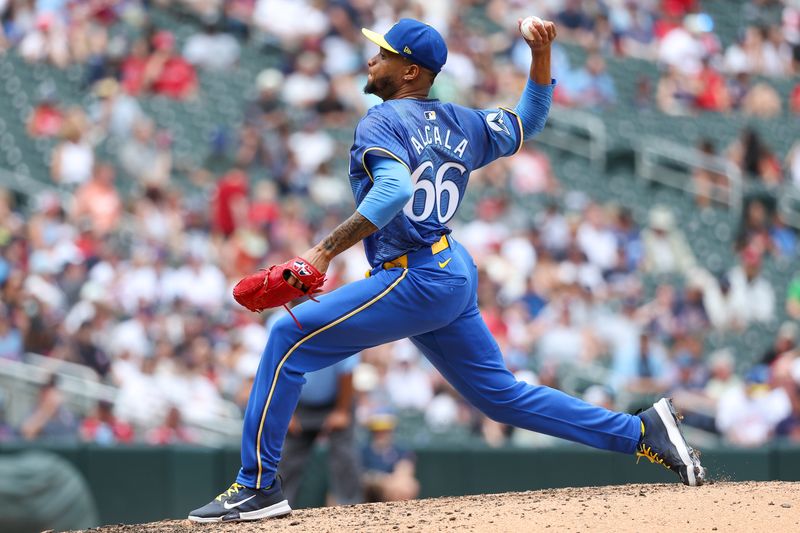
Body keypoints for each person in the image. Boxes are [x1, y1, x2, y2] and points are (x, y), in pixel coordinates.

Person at [189, 17, 705, 523]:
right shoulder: (463, 121)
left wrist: (322, 252)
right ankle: (643, 433)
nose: (372, 57)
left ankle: (257, 487)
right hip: (449, 270)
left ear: (411, 72)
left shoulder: (382, 120)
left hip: (415, 275)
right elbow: (530, 118)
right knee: (501, 397)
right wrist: (541, 55)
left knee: (286, 338)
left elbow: (393, 191)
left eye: (385, 53)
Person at [278, 355, 362, 507]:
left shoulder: (339, 331)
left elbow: (347, 370)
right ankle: (277, 506)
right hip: (296, 403)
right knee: (285, 459)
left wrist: (342, 410)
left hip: (337, 400)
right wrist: (286, 410)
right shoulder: (280, 330)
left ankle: (351, 509)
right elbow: (277, 369)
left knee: (345, 457)